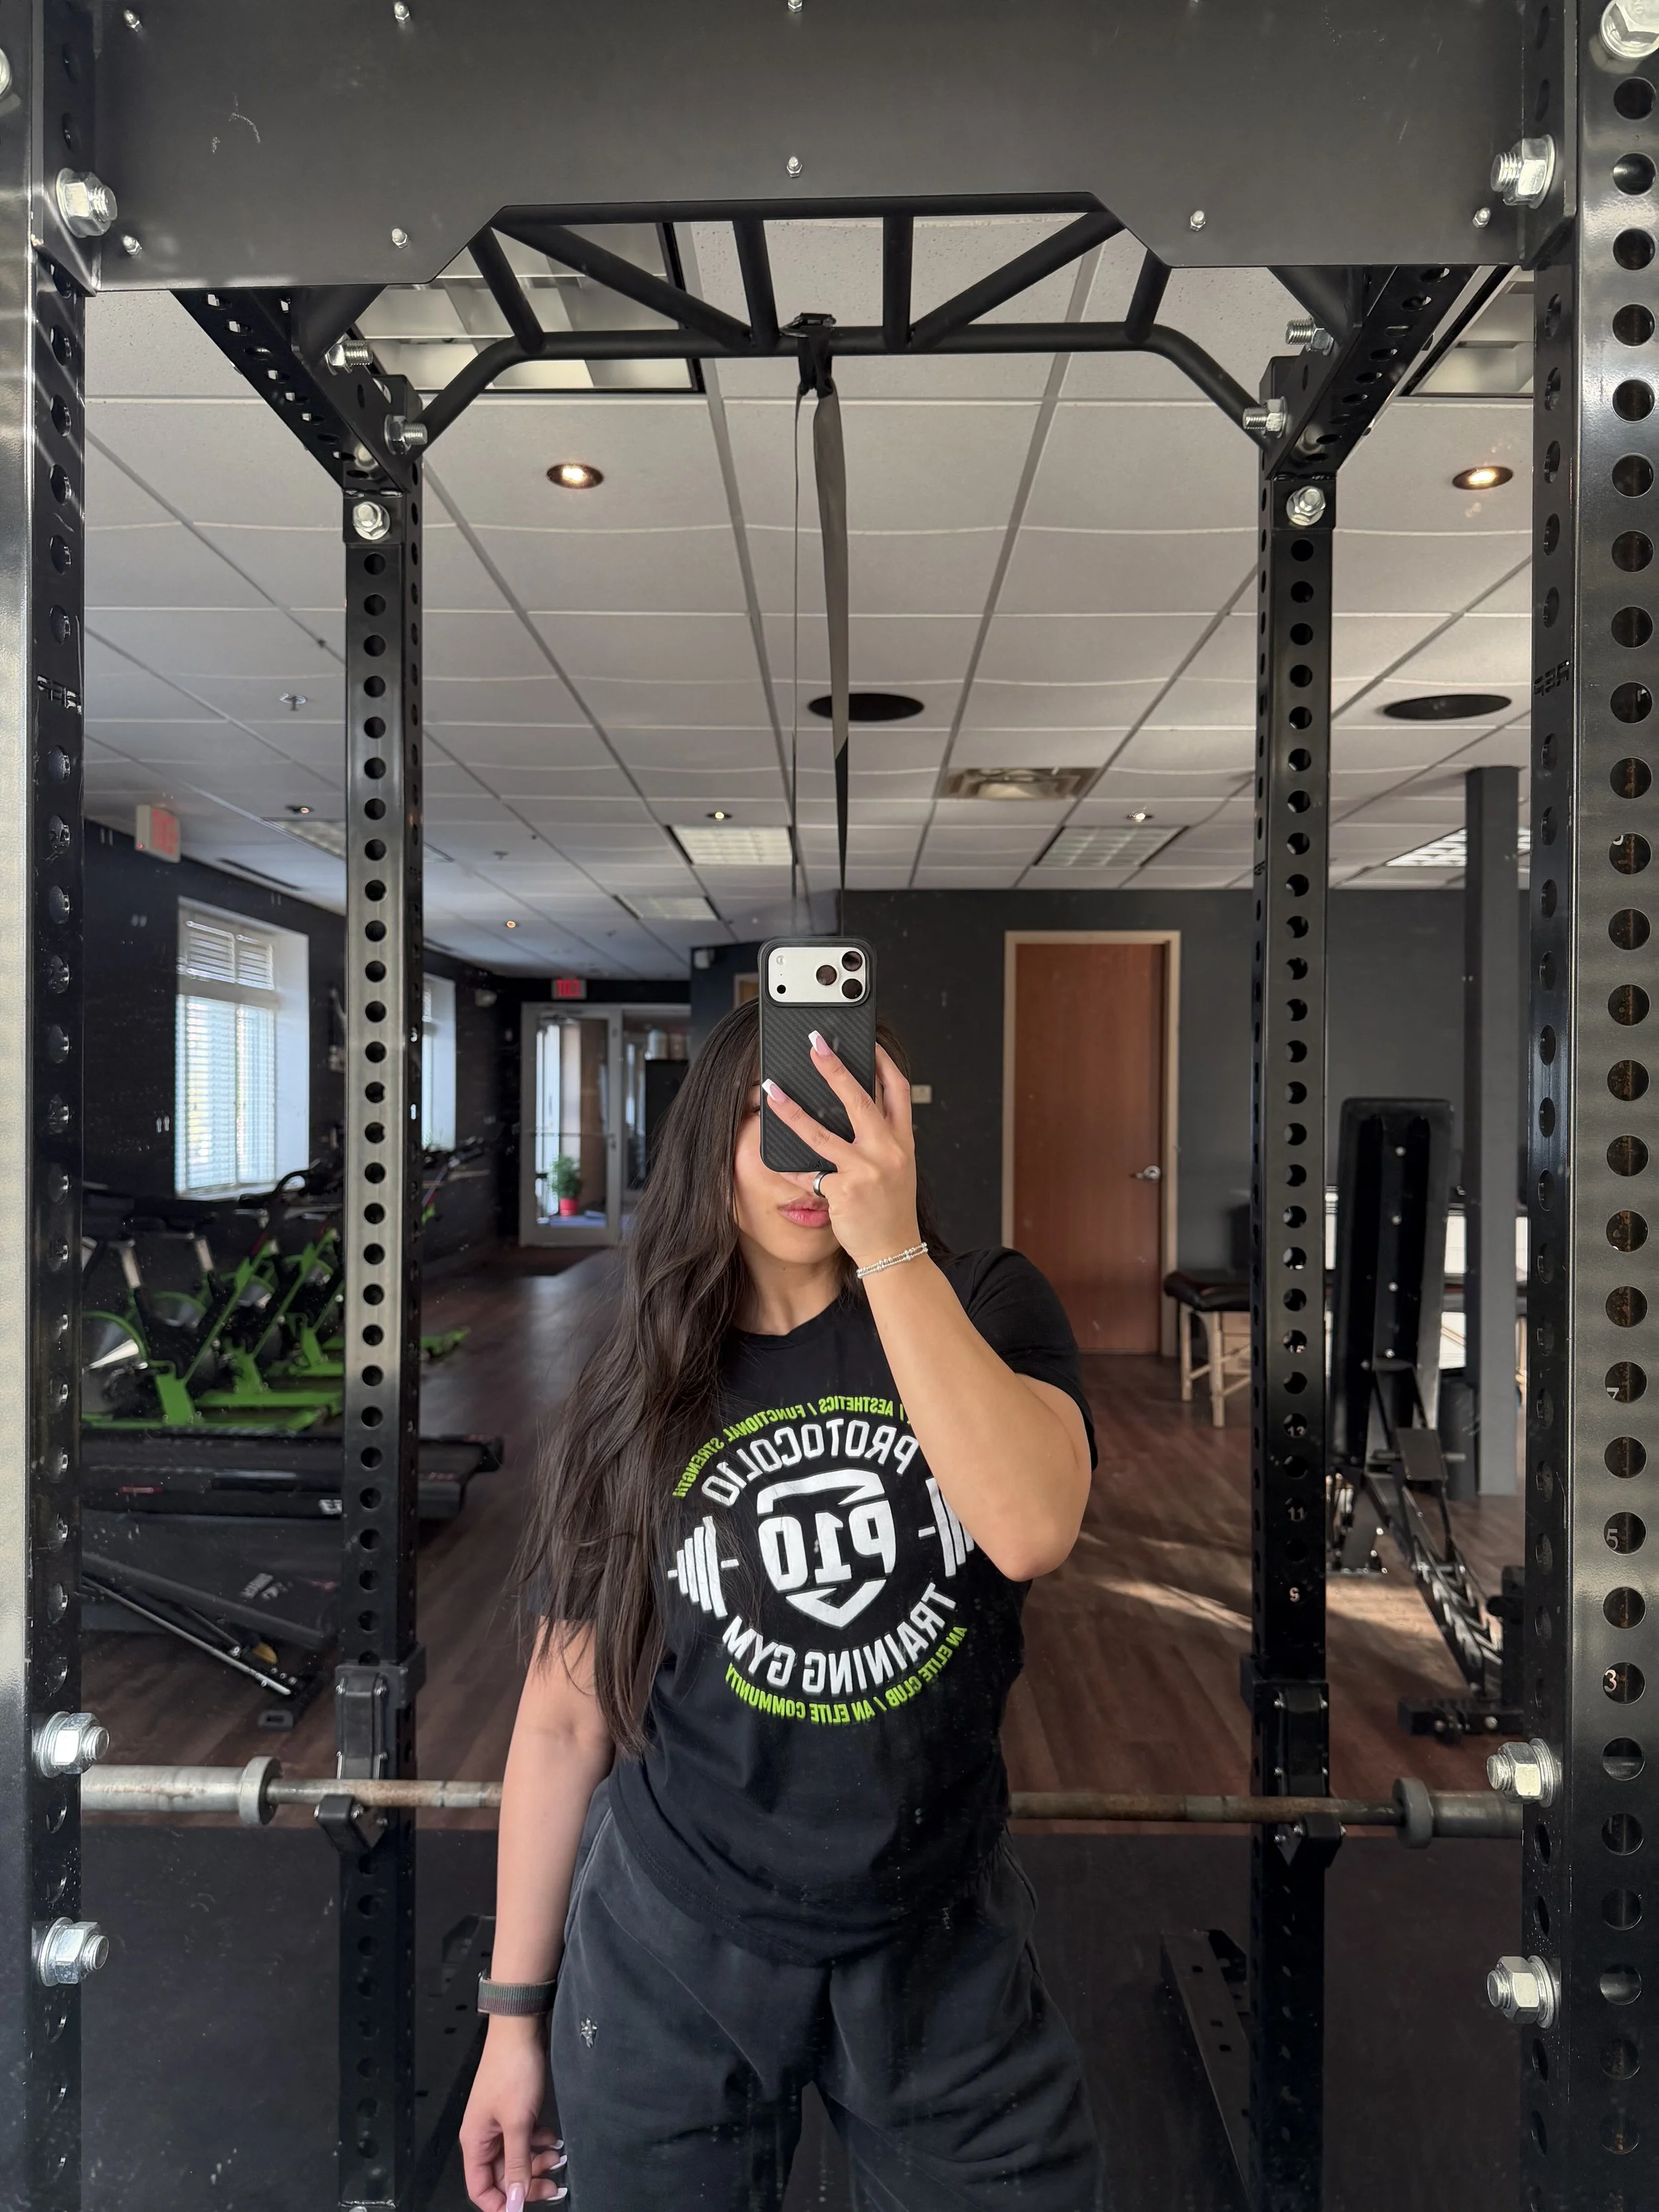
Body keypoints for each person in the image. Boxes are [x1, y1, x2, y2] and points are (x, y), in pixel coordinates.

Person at [460, 1000, 1106, 2211]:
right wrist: (511, 2019)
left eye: (856, 1115)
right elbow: (563, 1718)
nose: (820, 1157)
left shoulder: (986, 1301)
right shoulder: (642, 1380)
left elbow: (1029, 1528)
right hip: (675, 1936)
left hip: (935, 1933)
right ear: (715, 1133)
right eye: (788, 1116)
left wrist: (890, 1250)